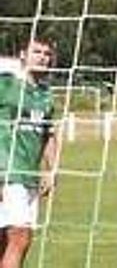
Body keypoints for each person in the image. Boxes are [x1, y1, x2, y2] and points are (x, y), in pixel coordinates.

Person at [0, 38, 59, 268]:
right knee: (20, 237)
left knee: (9, 241)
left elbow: (48, 135)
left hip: (29, 177)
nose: (42, 57)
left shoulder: (45, 95)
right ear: (23, 54)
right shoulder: (6, 85)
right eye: (37, 51)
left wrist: (52, 170)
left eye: (47, 53)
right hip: (7, 174)